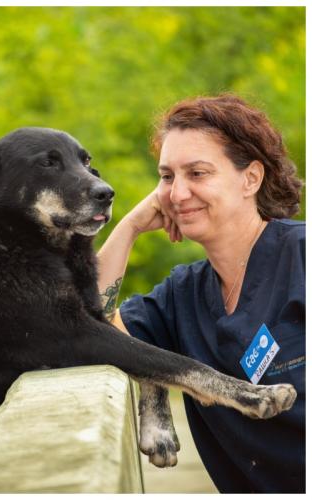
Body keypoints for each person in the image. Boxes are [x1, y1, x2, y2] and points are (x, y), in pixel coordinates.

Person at [97, 94, 304, 493]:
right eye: (167, 176)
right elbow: (87, 321)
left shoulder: (301, 257)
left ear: (251, 178)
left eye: (197, 173)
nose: (176, 195)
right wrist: (129, 228)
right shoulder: (182, 295)